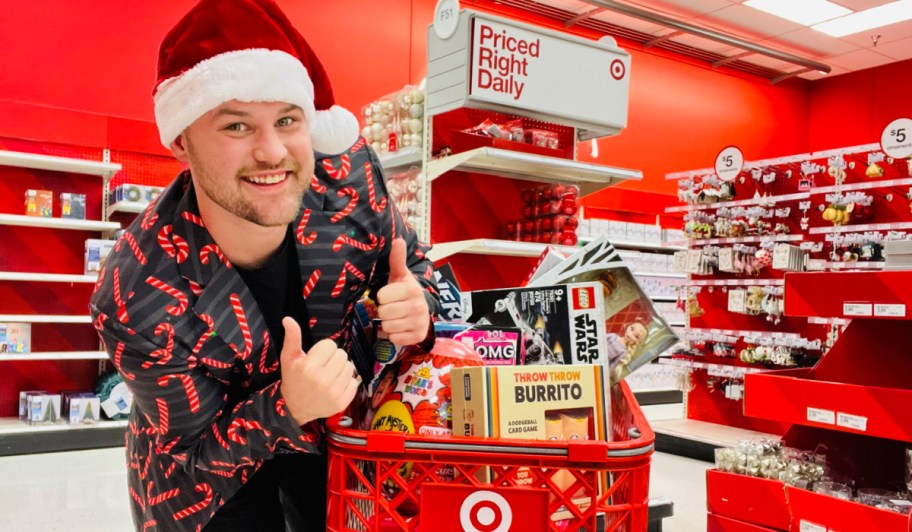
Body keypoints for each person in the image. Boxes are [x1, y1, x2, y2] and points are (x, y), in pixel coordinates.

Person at [89, 0, 439, 530]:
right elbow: (194, 456)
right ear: (183, 141)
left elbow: (419, 270)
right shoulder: (136, 292)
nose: (272, 152)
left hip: (339, 448)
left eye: (287, 119)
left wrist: (420, 309)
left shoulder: (349, 181)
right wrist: (285, 406)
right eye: (236, 126)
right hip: (211, 489)